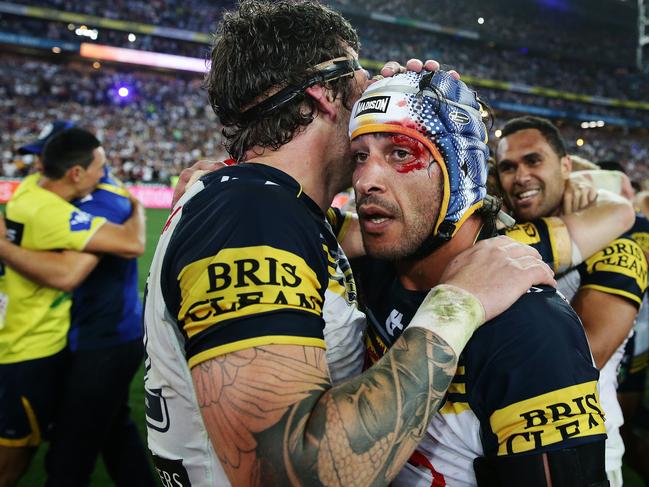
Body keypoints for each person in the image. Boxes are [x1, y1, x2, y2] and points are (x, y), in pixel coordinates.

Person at [142, 1, 554, 486]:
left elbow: (421, 223)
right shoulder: (251, 215)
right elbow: (284, 471)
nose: (374, 84)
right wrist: (458, 304)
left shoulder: (269, 207)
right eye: (362, 75)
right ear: (323, 96)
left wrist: (429, 123)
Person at [352, 70, 607, 487]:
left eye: (400, 153)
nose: (365, 180)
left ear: (461, 169)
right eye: (360, 155)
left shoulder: (529, 331)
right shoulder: (373, 267)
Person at [495, 115, 648, 487]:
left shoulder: (618, 244)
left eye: (534, 161)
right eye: (508, 167)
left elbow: (583, 356)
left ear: (566, 166)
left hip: (582, 453)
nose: (520, 176)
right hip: (499, 443)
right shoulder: (504, 231)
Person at [9, 121, 157, 486]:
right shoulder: (71, 195)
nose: (40, 169)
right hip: (93, 333)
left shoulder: (100, 200)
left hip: (102, 340)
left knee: (69, 455)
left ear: (73, 165)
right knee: (113, 430)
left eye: (43, 157)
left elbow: (69, 273)